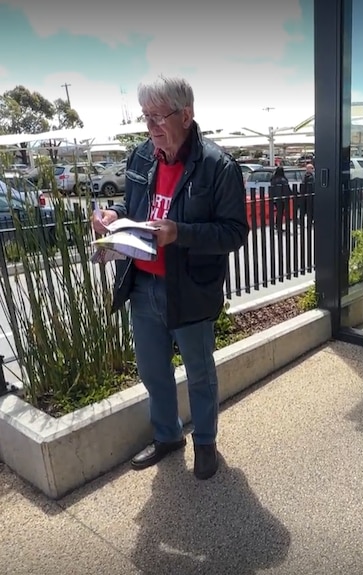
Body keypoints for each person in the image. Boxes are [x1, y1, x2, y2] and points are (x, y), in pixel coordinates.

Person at [91, 75, 248, 480]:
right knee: (152, 371)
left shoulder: (217, 166)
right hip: (142, 283)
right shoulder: (142, 156)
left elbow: (234, 232)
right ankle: (167, 436)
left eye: (158, 117)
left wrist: (181, 233)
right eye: (146, 117)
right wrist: (113, 216)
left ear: (186, 115)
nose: (150, 127)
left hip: (190, 289)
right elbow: (133, 204)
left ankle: (206, 443)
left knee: (199, 373)